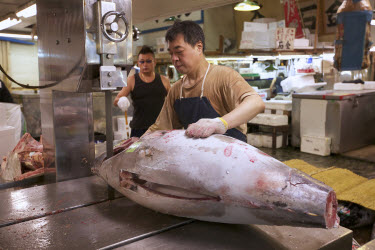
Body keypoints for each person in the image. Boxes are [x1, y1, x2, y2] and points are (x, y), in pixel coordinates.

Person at [146, 21, 265, 142]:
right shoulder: (177, 89)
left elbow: (256, 102)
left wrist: (221, 123)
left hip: (231, 156)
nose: (174, 59)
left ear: (199, 47)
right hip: (198, 157)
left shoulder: (224, 76)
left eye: (179, 52)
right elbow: (160, 128)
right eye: (171, 53)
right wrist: (137, 143)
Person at [114, 45, 171, 138]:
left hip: (160, 129)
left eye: (148, 61)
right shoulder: (131, 80)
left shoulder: (164, 80)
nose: (145, 64)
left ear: (154, 62)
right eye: (142, 61)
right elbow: (116, 100)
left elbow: (174, 102)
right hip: (138, 129)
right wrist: (121, 100)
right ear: (138, 63)